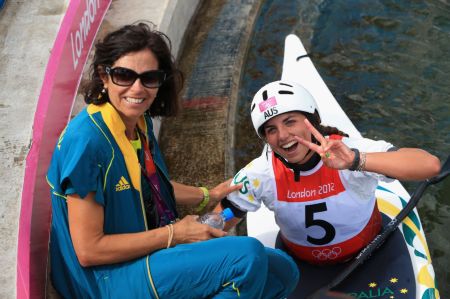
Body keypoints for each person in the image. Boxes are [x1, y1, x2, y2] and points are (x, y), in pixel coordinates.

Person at [47, 23, 299, 299]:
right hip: (102, 280)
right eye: (123, 75)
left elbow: (144, 182)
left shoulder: (136, 122)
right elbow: (89, 250)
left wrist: (209, 195)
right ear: (103, 76)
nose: (137, 88)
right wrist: (175, 234)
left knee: (282, 270)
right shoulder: (87, 142)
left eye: (149, 78)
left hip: (142, 256)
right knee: (246, 257)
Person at [215, 80, 441, 264]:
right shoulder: (260, 173)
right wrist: (193, 230)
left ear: (311, 122)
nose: (282, 136)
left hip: (370, 254)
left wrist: (356, 160)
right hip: (301, 265)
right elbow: (221, 218)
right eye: (271, 130)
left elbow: (429, 165)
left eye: (290, 122)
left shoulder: (350, 150)